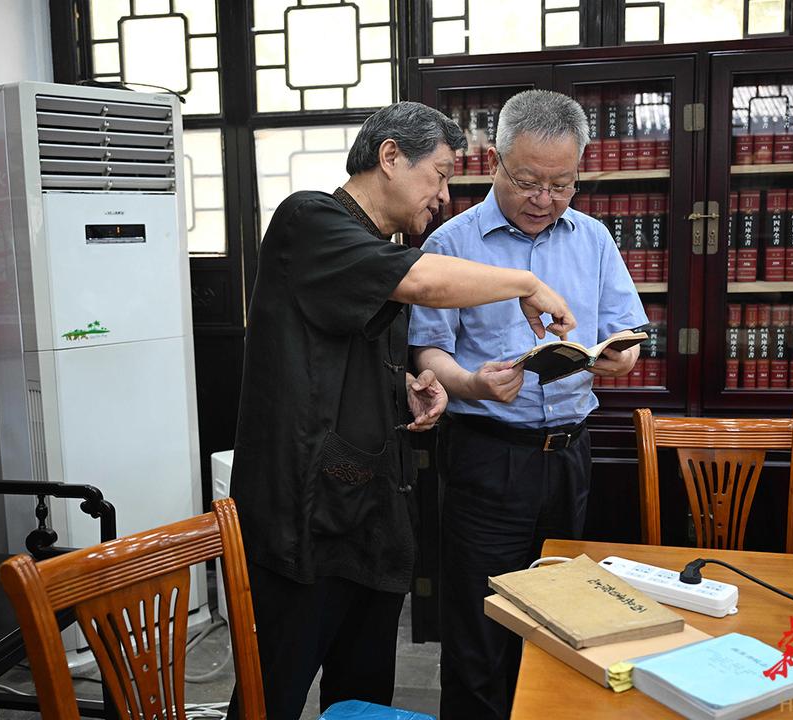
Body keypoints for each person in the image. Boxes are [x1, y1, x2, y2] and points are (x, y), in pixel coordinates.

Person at [228, 101, 577, 720]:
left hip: (370, 511)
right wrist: (525, 283)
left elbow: (339, 358)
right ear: (390, 156)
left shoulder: (374, 248)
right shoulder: (308, 219)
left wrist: (412, 386)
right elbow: (421, 282)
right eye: (439, 175)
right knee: (273, 694)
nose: (443, 197)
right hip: (304, 515)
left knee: (362, 698)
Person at [407, 89, 648, 720]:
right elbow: (428, 353)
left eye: (561, 185)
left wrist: (622, 357)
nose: (544, 199)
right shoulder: (452, 242)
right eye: (527, 182)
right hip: (487, 458)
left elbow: (627, 329)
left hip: (569, 456)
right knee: (480, 632)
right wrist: (472, 384)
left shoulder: (593, 239)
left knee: (564, 621)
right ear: (496, 161)